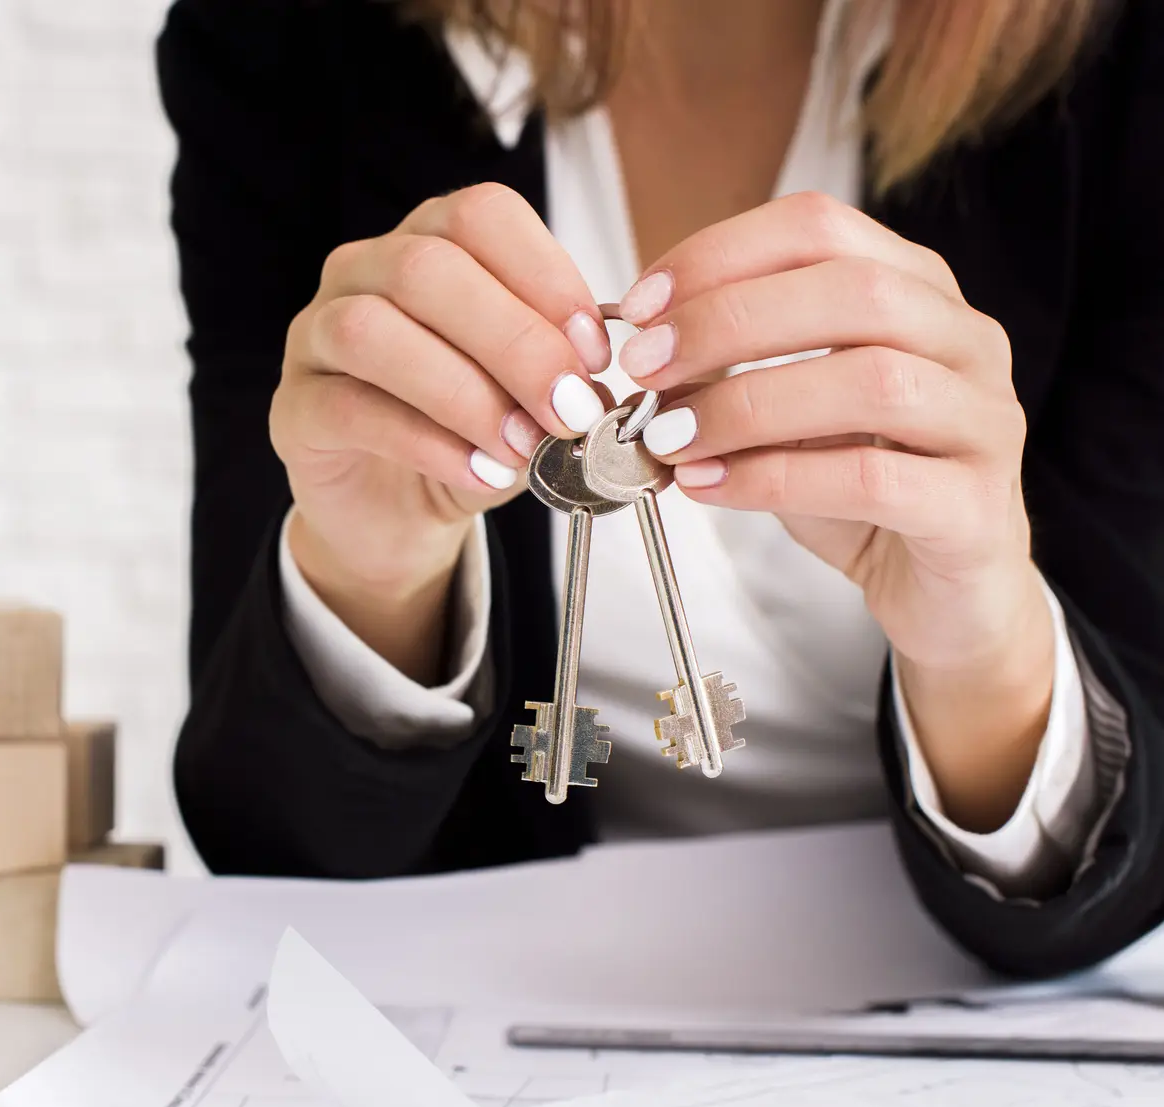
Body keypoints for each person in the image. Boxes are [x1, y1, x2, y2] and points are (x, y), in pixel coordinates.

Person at [156, 0, 1164, 977]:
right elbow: (271, 854)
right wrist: (370, 580)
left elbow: (1136, 858)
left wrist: (986, 653)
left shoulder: (1126, 63)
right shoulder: (287, 35)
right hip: (519, 1013)